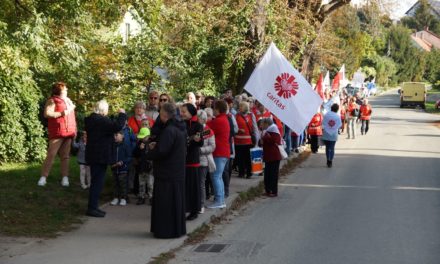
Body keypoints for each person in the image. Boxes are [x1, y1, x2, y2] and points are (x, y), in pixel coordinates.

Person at [145, 102, 187, 239]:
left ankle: (165, 231)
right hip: (176, 170)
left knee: (166, 203)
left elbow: (162, 151)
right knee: (175, 202)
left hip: (167, 172)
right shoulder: (180, 127)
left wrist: (150, 151)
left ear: (164, 115)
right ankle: (177, 229)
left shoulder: (169, 130)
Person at [85, 100, 127, 217]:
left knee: (96, 182)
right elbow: (117, 126)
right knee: (97, 182)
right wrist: (122, 114)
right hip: (100, 156)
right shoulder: (100, 120)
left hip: (95, 155)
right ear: (103, 109)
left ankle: (93, 206)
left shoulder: (93, 120)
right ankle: (92, 208)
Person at [38, 82, 77, 187]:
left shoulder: (68, 101)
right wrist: (62, 113)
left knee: (65, 156)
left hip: (68, 132)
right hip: (57, 132)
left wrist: (75, 130)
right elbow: (47, 114)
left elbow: (72, 117)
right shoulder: (52, 100)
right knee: (51, 154)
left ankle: (65, 178)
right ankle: (43, 177)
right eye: (65, 89)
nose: (66, 90)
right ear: (59, 90)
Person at [181, 103, 204, 221]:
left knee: (193, 186)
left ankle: (194, 210)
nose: (182, 113)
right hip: (181, 159)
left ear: (191, 112)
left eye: (184, 111)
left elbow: (200, 143)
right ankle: (183, 209)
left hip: (192, 159)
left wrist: (196, 139)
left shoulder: (198, 126)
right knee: (184, 187)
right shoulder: (181, 124)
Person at [206, 100, 230, 209]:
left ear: (217, 109)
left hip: (219, 152)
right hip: (223, 152)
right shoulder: (224, 119)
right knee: (218, 176)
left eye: (214, 108)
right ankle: (220, 199)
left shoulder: (218, 121)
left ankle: (219, 200)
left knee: (215, 176)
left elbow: (206, 128)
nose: (213, 110)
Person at [197, 110, 216, 214]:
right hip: (193, 160)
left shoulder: (208, 131)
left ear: (203, 119)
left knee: (201, 183)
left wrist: (200, 150)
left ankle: (201, 204)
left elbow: (212, 146)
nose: (197, 121)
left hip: (203, 160)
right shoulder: (194, 129)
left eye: (199, 119)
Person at [259, 118, 282, 197]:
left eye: (263, 123)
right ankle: (268, 190)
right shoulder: (267, 131)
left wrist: (265, 137)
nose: (262, 125)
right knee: (267, 174)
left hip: (274, 156)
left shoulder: (274, 130)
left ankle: (273, 191)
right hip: (268, 156)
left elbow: (275, 141)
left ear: (267, 124)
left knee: (273, 175)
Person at [109, 131, 132, 206]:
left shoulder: (126, 145)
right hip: (114, 169)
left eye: (116, 135)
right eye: (114, 135)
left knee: (123, 184)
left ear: (122, 136)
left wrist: (122, 162)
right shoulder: (113, 146)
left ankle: (123, 198)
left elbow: (129, 157)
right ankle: (115, 197)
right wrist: (111, 163)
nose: (115, 137)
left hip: (123, 169)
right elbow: (111, 156)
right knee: (115, 184)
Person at [234, 101, 256, 178]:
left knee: (248, 158)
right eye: (239, 106)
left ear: (245, 107)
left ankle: (249, 173)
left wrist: (256, 139)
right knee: (240, 158)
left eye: (241, 106)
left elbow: (254, 127)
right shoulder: (236, 116)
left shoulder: (251, 115)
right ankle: (241, 173)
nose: (239, 108)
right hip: (238, 141)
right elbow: (234, 127)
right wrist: (239, 130)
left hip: (248, 141)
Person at [132, 127, 153, 205]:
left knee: (150, 184)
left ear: (148, 136)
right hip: (141, 168)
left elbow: (154, 155)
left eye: (143, 137)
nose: (142, 139)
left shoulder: (152, 144)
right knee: (141, 184)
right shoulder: (139, 144)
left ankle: (151, 197)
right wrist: (139, 149)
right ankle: (141, 197)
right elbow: (134, 154)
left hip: (149, 168)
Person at [322, 103, 342, 168]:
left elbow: (323, 123)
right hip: (333, 134)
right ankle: (330, 160)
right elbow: (339, 125)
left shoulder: (326, 115)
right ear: (337, 109)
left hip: (326, 133)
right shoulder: (337, 116)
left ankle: (328, 159)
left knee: (327, 148)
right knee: (332, 147)